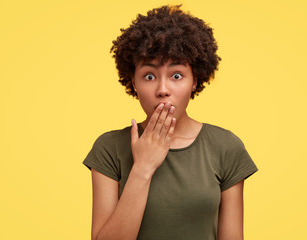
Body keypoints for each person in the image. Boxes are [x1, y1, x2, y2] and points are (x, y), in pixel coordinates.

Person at [83, 4, 259, 240]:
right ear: (133, 82)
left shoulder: (226, 147)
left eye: (177, 76)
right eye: (149, 76)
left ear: (194, 80)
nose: (163, 89)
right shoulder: (109, 148)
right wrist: (143, 167)